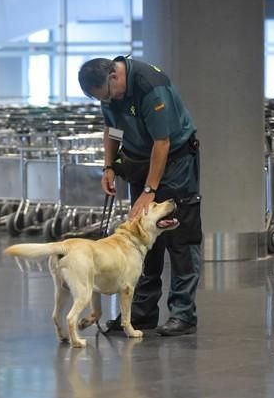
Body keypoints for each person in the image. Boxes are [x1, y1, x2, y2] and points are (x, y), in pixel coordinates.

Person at [78, 55, 203, 336]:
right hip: (140, 160)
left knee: (181, 237)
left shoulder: (150, 86)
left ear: (114, 77)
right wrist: (109, 167)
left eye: (107, 95)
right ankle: (140, 315)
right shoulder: (107, 93)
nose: (107, 101)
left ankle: (183, 315)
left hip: (175, 160)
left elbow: (163, 142)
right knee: (141, 237)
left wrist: (149, 191)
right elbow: (111, 129)